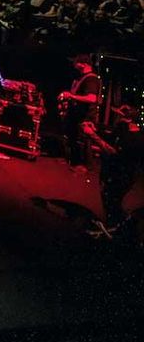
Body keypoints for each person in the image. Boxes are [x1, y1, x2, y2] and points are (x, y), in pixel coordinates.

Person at [83, 105, 143, 234]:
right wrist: (96, 129)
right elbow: (110, 138)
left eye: (120, 116)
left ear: (128, 119)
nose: (117, 118)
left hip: (124, 174)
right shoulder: (123, 128)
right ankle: (116, 228)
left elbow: (112, 151)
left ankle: (120, 232)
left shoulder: (135, 138)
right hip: (114, 170)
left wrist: (92, 135)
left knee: (112, 201)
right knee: (108, 199)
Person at [59, 58, 101, 169]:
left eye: (77, 63)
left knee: (82, 140)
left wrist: (71, 96)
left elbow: (92, 98)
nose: (75, 65)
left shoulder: (91, 79)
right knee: (72, 137)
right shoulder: (81, 77)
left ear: (83, 64)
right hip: (77, 114)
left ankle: (83, 165)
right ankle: (73, 161)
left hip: (85, 115)